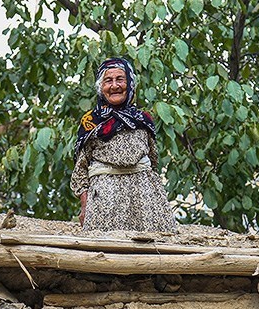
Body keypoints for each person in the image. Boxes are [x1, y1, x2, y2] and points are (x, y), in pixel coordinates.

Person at [70, 57, 178, 233]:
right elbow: (80, 170)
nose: (114, 86)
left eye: (120, 79)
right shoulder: (91, 122)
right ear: (100, 88)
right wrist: (85, 205)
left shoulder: (143, 120)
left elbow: (153, 160)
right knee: (105, 254)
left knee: (154, 252)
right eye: (108, 80)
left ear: (130, 84)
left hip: (144, 200)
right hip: (105, 202)